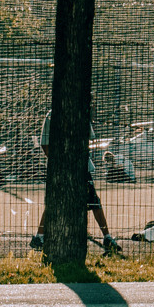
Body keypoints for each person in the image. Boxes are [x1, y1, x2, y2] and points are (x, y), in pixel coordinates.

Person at [32, 109, 124, 255]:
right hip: (66, 167)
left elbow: (87, 139)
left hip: (79, 166)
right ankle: (40, 236)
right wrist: (59, 163)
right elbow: (46, 144)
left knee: (92, 200)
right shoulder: (54, 114)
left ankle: (106, 236)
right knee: (58, 201)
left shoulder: (77, 111)